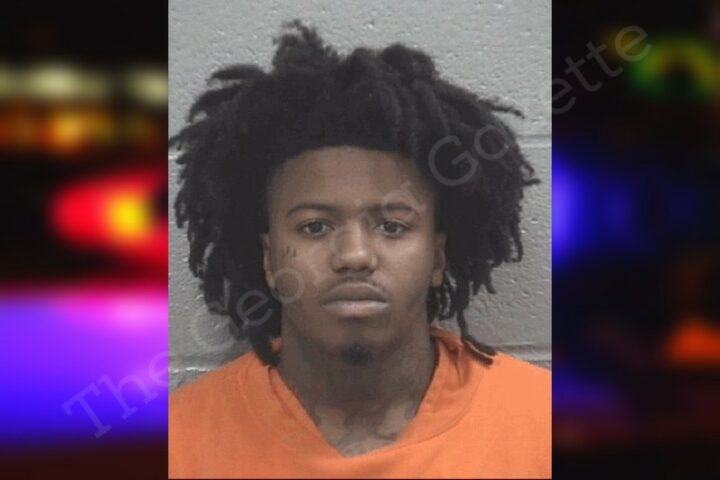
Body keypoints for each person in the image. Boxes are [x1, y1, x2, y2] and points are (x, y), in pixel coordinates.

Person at [169, 20, 550, 479]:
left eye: (392, 226)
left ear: (437, 256)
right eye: (314, 227)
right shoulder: (178, 442)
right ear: (269, 258)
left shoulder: (544, 425)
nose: (354, 255)